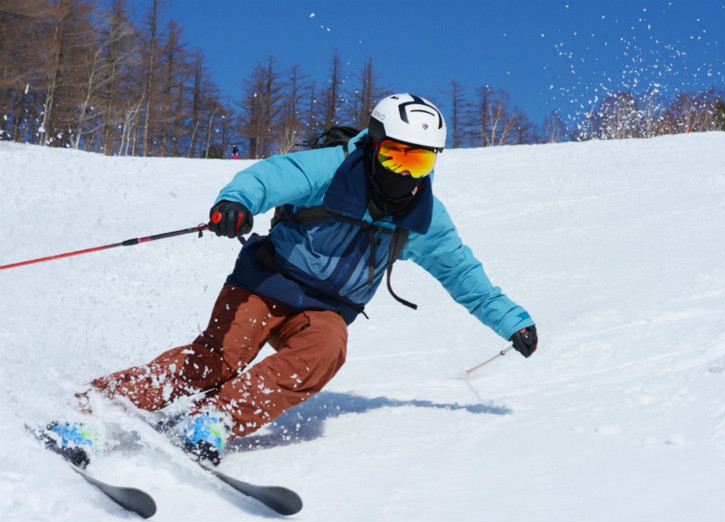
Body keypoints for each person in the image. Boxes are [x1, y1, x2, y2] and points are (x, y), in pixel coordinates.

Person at [48, 93, 538, 466]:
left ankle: (216, 417)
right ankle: (93, 406)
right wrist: (237, 204)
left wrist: (511, 322)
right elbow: (270, 177)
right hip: (266, 281)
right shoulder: (332, 168)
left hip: (324, 309)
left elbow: (463, 276)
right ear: (373, 144)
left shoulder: (424, 218)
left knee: (329, 347)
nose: (406, 174)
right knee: (218, 359)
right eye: (395, 156)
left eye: (421, 161)